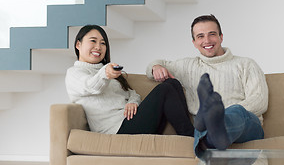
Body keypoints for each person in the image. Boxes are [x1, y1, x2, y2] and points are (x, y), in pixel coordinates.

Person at [146, 14, 268, 158]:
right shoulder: (187, 66)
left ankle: (212, 124)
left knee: (234, 112)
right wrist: (156, 67)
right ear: (194, 42)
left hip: (245, 125)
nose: (207, 40)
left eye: (212, 34)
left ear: (221, 37)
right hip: (207, 128)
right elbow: (154, 66)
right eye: (200, 36)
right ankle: (209, 138)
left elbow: (260, 101)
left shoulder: (246, 64)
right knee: (206, 123)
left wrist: (222, 114)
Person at [65, 25, 194, 137]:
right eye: (93, 41)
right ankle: (193, 138)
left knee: (172, 83)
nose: (98, 47)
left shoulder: (110, 74)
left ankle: (191, 138)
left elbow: (132, 94)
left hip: (132, 121)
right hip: (116, 130)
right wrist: (105, 73)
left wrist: (133, 103)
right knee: (164, 89)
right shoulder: (74, 73)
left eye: (103, 43)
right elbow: (92, 86)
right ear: (78, 45)